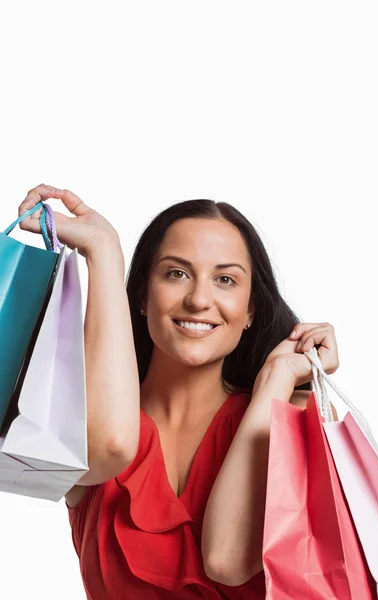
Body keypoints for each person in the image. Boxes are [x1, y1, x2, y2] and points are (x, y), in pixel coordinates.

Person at [18, 184, 339, 599]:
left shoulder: (292, 415)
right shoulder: (81, 422)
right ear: (142, 297)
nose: (199, 299)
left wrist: (275, 379)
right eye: (176, 273)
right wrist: (103, 250)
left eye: (225, 280)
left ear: (250, 311)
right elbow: (112, 447)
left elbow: (227, 559)